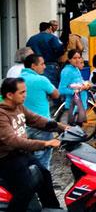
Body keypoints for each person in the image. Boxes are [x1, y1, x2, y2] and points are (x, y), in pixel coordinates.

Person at [0, 78, 66, 211]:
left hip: (22, 154)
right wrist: (45, 143)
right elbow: (14, 141)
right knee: (25, 188)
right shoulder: (2, 114)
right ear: (9, 95)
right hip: (7, 159)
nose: (25, 95)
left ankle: (52, 208)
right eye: (22, 92)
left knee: (44, 174)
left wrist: (62, 127)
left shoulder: (18, 106)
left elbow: (36, 119)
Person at [21, 54, 60, 169]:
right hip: (42, 125)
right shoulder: (41, 80)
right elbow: (56, 94)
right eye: (42, 64)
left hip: (23, 125)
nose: (44, 67)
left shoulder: (18, 79)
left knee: (26, 159)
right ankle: (42, 184)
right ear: (33, 66)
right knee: (43, 160)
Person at [25, 22, 64, 87]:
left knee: (38, 86)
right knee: (51, 86)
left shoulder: (32, 39)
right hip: (51, 64)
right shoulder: (52, 38)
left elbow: (28, 51)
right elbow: (60, 49)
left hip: (35, 66)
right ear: (50, 28)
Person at [58, 49, 90, 125]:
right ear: (69, 60)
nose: (77, 60)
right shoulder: (67, 71)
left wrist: (86, 85)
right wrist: (74, 91)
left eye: (79, 58)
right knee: (74, 129)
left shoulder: (76, 69)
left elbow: (80, 82)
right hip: (73, 106)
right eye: (74, 58)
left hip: (80, 104)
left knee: (79, 129)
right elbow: (61, 89)